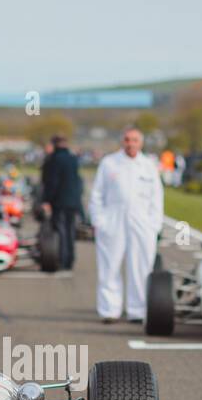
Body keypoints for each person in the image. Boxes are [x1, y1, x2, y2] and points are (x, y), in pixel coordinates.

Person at [88, 127, 163, 322]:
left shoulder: (148, 165)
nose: (131, 144)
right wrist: (99, 221)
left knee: (140, 267)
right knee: (109, 266)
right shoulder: (110, 163)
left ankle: (137, 311)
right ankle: (109, 310)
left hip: (142, 221)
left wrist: (154, 224)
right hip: (113, 219)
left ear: (141, 143)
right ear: (123, 141)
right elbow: (97, 194)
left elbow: (157, 198)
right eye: (127, 140)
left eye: (135, 140)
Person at [39, 134, 83, 270]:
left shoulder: (54, 160)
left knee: (61, 231)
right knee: (70, 231)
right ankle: (70, 259)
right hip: (73, 201)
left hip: (59, 202)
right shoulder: (73, 158)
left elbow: (52, 182)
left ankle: (63, 260)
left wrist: (46, 200)